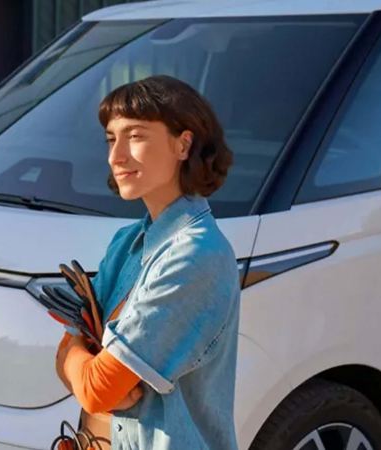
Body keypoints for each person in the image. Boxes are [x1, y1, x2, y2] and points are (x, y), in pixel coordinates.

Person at [54, 75, 240, 449]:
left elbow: (96, 390)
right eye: (111, 139)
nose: (115, 156)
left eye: (135, 136)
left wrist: (78, 362)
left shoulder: (195, 255)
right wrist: (79, 358)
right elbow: (71, 346)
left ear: (183, 144)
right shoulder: (128, 243)